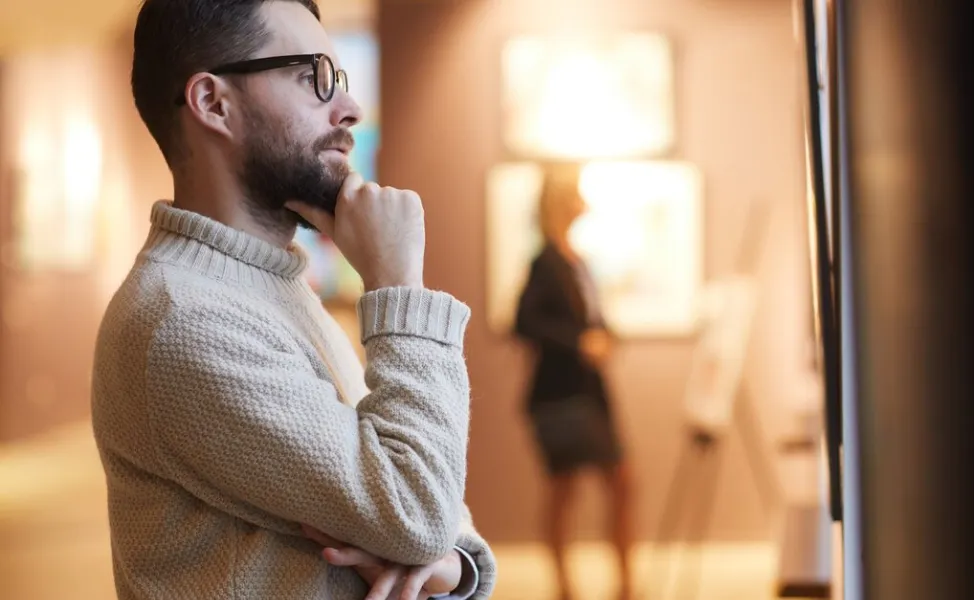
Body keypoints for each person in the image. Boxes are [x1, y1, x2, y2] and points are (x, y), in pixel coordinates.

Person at [90, 1, 495, 598]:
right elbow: (418, 509)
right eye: (313, 77)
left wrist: (453, 566)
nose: (350, 108)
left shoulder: (267, 287)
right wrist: (398, 285)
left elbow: (426, 502)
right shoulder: (187, 320)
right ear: (213, 103)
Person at [514, 163, 634, 600]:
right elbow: (524, 322)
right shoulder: (545, 261)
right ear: (561, 201)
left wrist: (606, 335)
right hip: (561, 396)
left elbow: (590, 319)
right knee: (565, 489)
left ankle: (624, 582)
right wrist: (579, 342)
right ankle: (564, 586)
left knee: (620, 482)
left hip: (589, 392)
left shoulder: (575, 260)